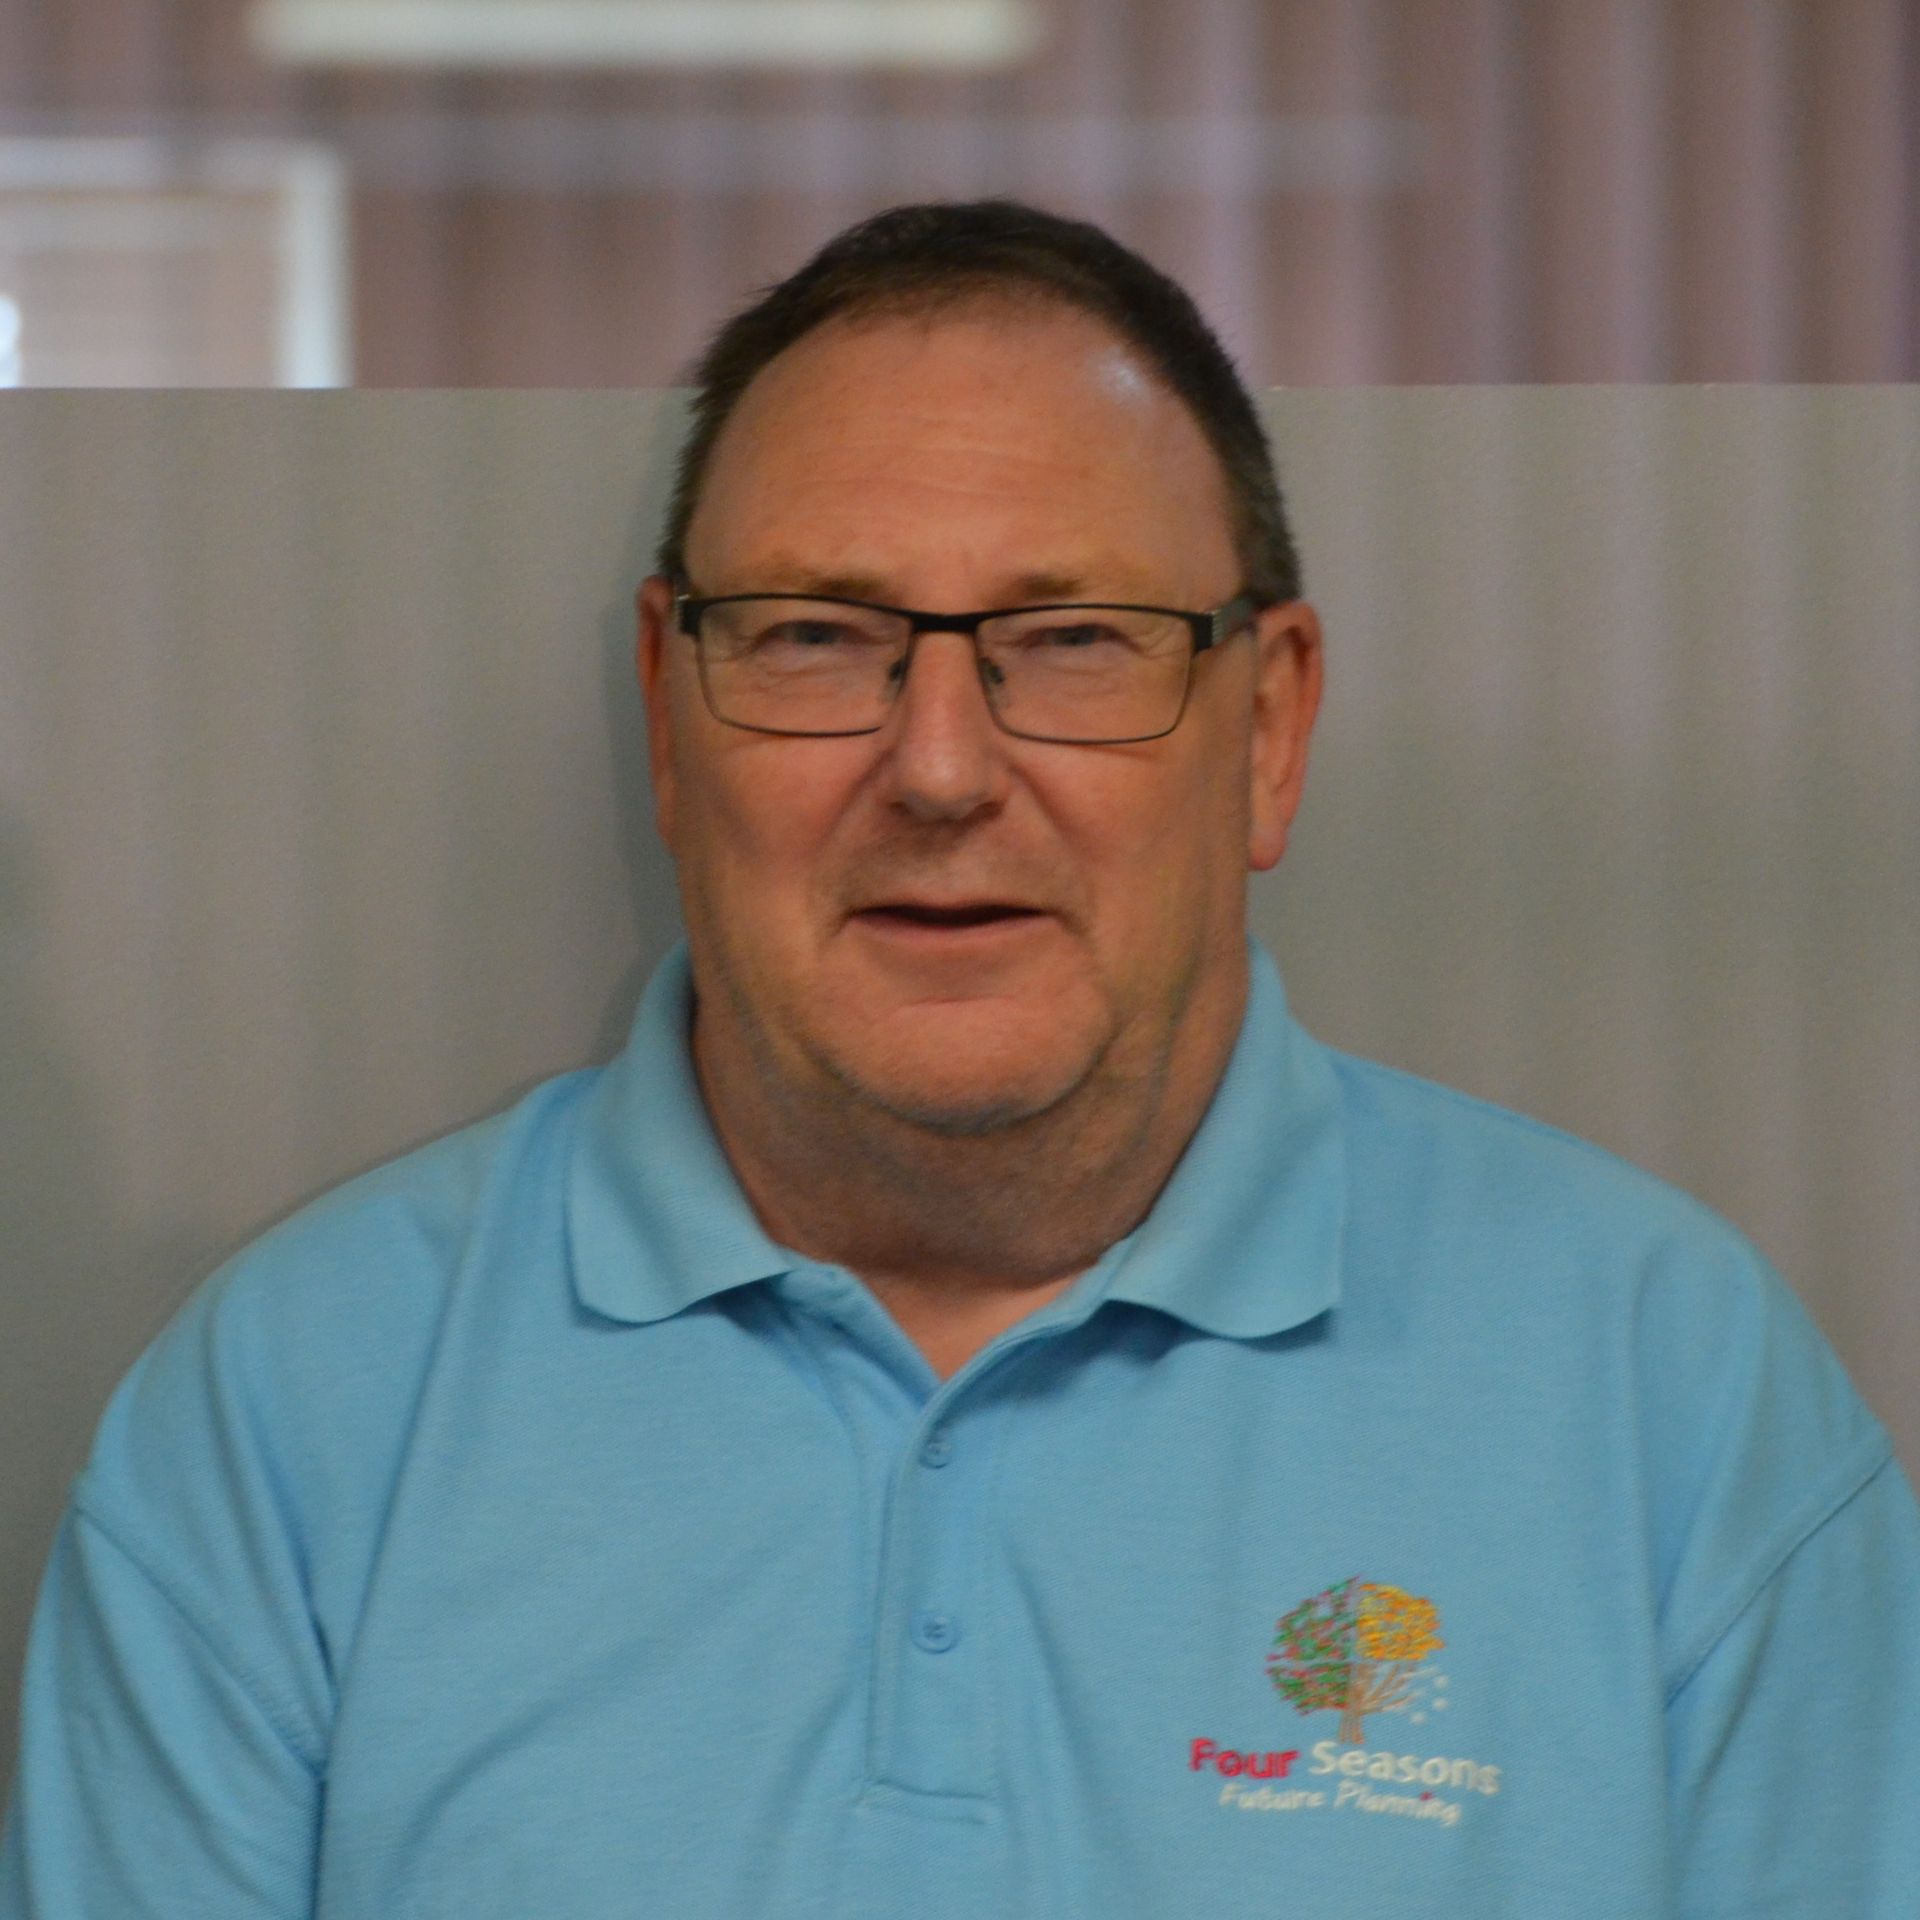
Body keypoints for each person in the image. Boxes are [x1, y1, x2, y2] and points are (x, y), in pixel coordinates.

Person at [2, 199, 1916, 1919]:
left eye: (1076, 641)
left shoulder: (1670, 1404)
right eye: (818, 638)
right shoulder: (294, 1423)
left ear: (1269, 731)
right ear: (669, 719)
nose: (935, 769)